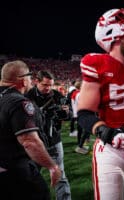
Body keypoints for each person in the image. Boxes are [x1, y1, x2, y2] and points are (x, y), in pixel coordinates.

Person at [77, 8, 124, 200]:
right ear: (115, 36)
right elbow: (85, 113)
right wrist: (107, 133)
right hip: (109, 150)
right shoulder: (96, 64)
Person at [0, 60, 61, 200]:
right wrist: (52, 167)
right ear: (22, 80)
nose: (30, 80)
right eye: (29, 76)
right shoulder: (19, 102)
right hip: (15, 172)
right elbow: (29, 141)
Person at [25, 70, 72, 200]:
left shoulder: (57, 95)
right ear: (36, 82)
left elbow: (69, 114)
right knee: (31, 177)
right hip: (35, 142)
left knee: (60, 176)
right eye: (45, 85)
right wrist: (41, 114)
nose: (48, 88)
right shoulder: (27, 96)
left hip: (54, 141)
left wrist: (65, 114)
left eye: (50, 85)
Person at [72, 80, 90, 154]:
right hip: (82, 114)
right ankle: (80, 146)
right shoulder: (79, 94)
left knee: (82, 130)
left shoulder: (75, 93)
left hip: (78, 113)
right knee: (86, 130)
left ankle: (80, 145)